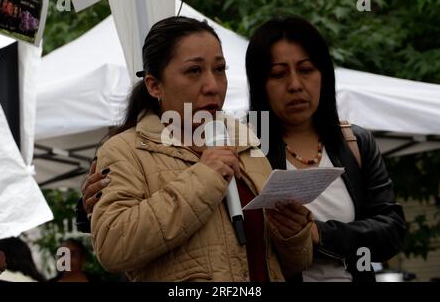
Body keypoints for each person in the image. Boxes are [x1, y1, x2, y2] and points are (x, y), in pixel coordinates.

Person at [83, 16, 313, 282]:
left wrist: (294, 234)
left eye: (220, 69)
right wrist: (206, 177)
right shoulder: (125, 150)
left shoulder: (247, 141)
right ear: (154, 85)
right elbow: (113, 247)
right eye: (194, 71)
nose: (213, 86)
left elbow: (296, 262)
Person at [245, 15, 406, 281]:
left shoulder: (355, 142)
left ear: (324, 75)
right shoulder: (244, 148)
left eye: (306, 69)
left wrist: (320, 234)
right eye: (278, 74)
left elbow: (391, 230)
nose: (295, 84)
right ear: (260, 85)